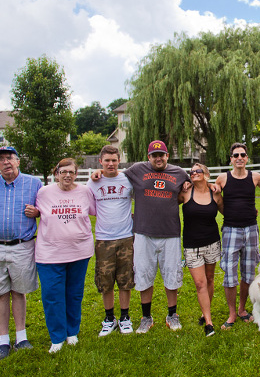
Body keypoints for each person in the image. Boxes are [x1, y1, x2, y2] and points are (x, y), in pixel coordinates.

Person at [0, 146, 42, 360]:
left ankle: (21, 337)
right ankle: (3, 340)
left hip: (22, 245)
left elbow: (46, 209)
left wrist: (37, 212)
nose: (6, 162)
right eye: (1, 159)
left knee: (19, 291)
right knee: (1, 293)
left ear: (18, 161)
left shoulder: (34, 183)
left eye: (10, 158)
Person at [120, 140, 191, 333]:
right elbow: (115, 177)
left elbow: (196, 184)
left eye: (161, 155)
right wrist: (99, 173)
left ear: (167, 156)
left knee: (172, 274)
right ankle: (146, 317)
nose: (158, 158)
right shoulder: (137, 169)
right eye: (154, 155)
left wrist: (192, 183)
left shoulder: (179, 173)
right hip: (143, 232)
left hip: (170, 232)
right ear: (148, 156)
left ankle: (172, 315)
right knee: (143, 274)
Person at [35, 158, 96, 353]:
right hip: (50, 253)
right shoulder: (44, 193)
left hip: (79, 251)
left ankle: (72, 332)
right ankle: (57, 337)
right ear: (56, 174)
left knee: (74, 293)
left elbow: (95, 211)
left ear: (76, 174)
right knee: (52, 295)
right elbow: (35, 212)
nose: (67, 175)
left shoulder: (85, 192)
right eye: (63, 172)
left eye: (71, 172)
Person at [214, 142, 260, 330]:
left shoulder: (255, 177)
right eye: (236, 155)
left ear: (247, 158)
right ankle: (231, 313)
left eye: (242, 155)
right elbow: (215, 197)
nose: (239, 158)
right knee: (230, 274)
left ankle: (242, 309)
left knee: (248, 272)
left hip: (251, 229)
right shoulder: (222, 178)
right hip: (230, 230)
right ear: (231, 159)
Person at [87, 145, 135, 337]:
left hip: (126, 237)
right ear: (100, 161)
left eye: (114, 160)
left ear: (119, 161)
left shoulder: (128, 180)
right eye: (107, 160)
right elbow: (89, 207)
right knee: (105, 280)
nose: (110, 164)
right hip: (104, 238)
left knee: (125, 279)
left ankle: (124, 317)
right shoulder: (93, 182)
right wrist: (95, 174)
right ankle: (109, 318)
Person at [179, 163, 224, 337]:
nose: (193, 173)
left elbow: (227, 212)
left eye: (197, 170)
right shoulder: (185, 192)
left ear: (206, 174)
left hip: (212, 242)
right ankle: (209, 323)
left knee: (210, 279)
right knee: (200, 283)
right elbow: (166, 203)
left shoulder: (215, 193)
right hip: (192, 245)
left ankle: (205, 314)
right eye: (191, 172)